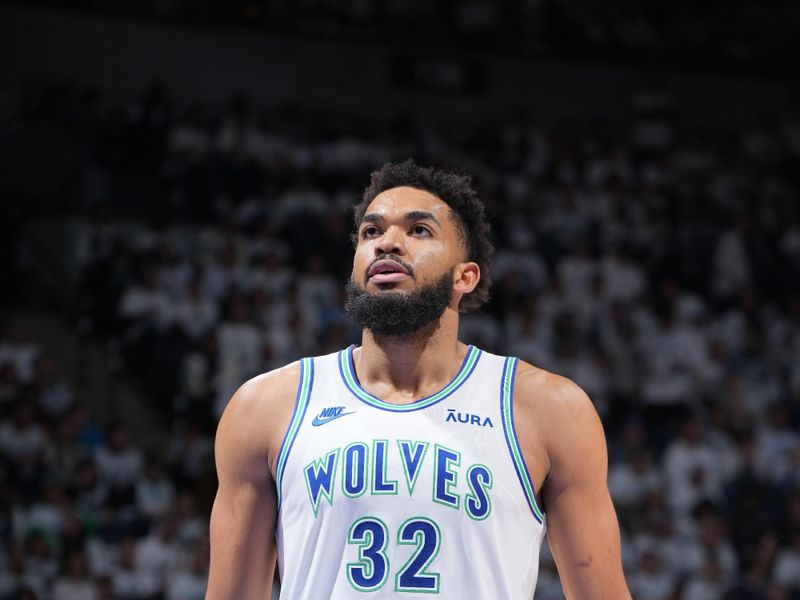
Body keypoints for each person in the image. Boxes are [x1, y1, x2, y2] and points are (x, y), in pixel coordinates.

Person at [205, 160, 631, 599]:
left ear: (465, 277)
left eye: (419, 230)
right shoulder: (266, 407)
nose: (387, 243)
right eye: (371, 232)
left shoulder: (548, 410)